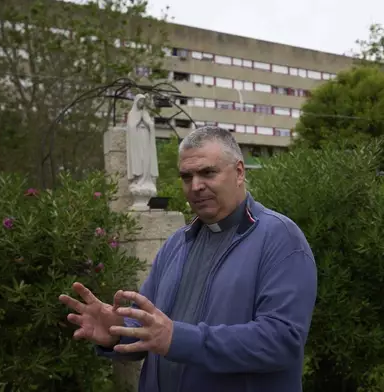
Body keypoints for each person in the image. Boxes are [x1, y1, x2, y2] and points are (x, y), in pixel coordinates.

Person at [59, 126, 317, 392]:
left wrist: (177, 339)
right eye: (186, 176)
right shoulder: (176, 243)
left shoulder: (280, 238)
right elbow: (149, 325)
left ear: (239, 172)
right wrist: (117, 330)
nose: (196, 186)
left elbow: (282, 340)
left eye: (208, 172)